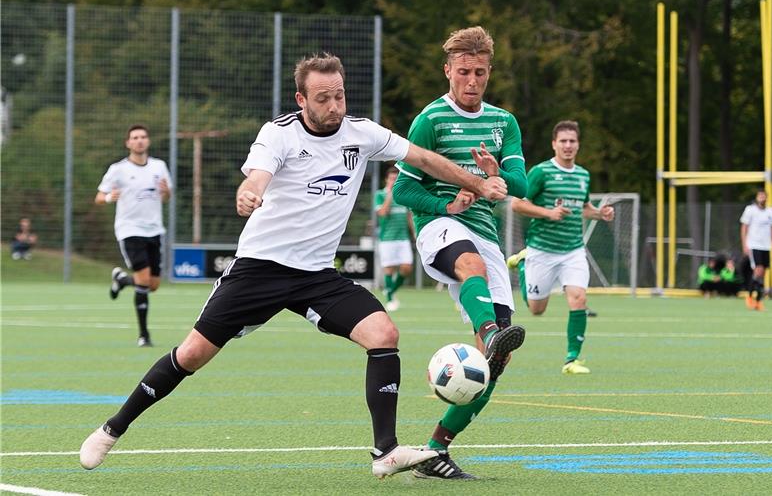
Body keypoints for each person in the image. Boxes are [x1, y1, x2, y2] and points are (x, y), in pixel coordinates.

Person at [79, 53, 509, 479]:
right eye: (323, 98)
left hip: (318, 276)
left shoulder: (362, 133)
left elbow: (425, 160)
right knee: (192, 354)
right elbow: (258, 176)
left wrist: (477, 183)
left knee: (384, 334)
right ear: (301, 99)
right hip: (259, 269)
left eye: (340, 95)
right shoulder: (279, 134)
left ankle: (386, 451)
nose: (335, 106)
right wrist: (250, 191)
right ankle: (113, 428)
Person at [393, 26, 528, 480]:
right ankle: (488, 330)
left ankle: (435, 451)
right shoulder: (430, 120)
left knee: (496, 366)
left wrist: (498, 176)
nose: (472, 82)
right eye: (464, 72)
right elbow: (405, 190)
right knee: (469, 264)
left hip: (484, 232)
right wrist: (446, 204)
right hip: (441, 225)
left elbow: (521, 188)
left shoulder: (503, 122)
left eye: (481, 73)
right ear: (448, 70)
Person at [509, 120, 614, 375]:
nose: (568, 146)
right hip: (542, 250)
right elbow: (517, 204)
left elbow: (584, 208)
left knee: (579, 299)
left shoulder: (583, 175)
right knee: (537, 309)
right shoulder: (541, 172)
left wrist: (600, 214)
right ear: (554, 144)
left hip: (573, 251)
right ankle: (522, 264)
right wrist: (548, 213)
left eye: (572, 141)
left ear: (578, 145)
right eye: (563, 141)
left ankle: (571, 359)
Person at [95, 124, 172, 348]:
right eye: (135, 137)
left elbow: (166, 196)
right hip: (129, 230)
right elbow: (99, 197)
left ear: (148, 141)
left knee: (153, 284)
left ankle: (121, 280)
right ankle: (144, 335)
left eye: (143, 137)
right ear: (128, 143)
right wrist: (110, 197)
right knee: (144, 281)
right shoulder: (118, 169)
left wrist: (166, 192)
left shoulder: (159, 166)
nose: (139, 140)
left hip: (155, 230)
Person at [374, 165, 414, 311]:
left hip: (403, 238)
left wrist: (414, 232)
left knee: (407, 267)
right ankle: (390, 299)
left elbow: (409, 215)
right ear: (386, 180)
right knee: (389, 269)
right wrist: (390, 195)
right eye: (391, 179)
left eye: (396, 179)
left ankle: (390, 290)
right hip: (387, 238)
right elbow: (383, 213)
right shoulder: (380, 195)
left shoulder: (403, 196)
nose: (394, 181)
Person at [740, 189, 772, 311]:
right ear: (757, 197)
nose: (762, 198)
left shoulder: (771, 212)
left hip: (766, 246)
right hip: (753, 245)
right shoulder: (750, 210)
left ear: (767, 198)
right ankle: (750, 297)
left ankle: (758, 301)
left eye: (764, 196)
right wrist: (745, 245)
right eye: (760, 196)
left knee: (762, 274)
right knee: (758, 270)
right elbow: (744, 228)